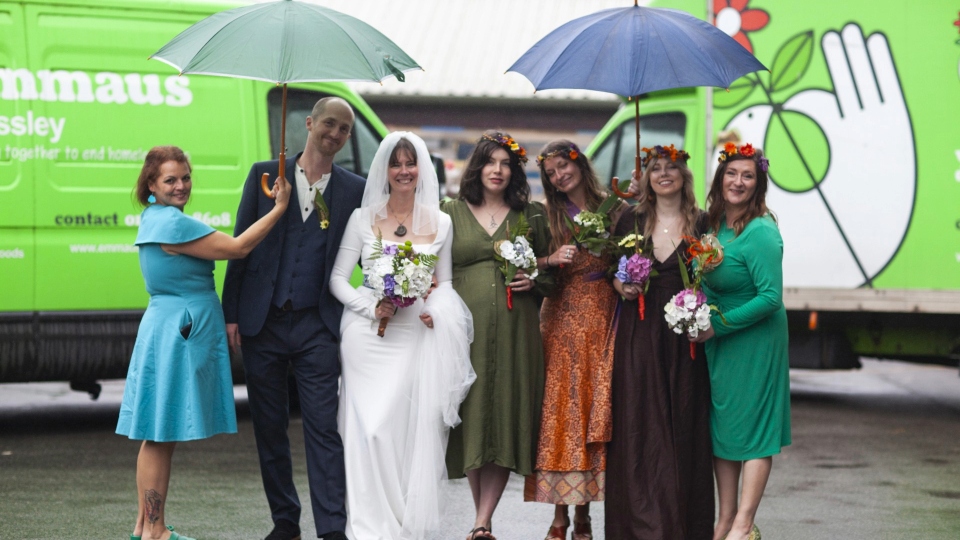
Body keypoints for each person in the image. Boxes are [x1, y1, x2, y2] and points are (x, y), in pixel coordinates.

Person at [117, 146, 291, 540]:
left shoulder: (154, 217)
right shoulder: (173, 225)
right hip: (179, 331)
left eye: (185, 177)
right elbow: (238, 248)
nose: (181, 186)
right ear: (151, 185)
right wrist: (279, 208)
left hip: (166, 328)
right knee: (160, 435)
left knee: (158, 434)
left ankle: (146, 527)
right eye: (170, 180)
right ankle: (155, 529)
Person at [221, 97, 365, 540]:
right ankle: (285, 521)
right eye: (329, 124)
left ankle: (332, 528)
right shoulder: (265, 174)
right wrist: (231, 314)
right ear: (308, 123)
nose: (335, 134)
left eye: (343, 129)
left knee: (324, 428)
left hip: (317, 325)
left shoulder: (354, 189)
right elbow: (239, 244)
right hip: (261, 321)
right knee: (269, 426)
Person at [329, 132, 476, 540]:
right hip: (365, 335)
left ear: (422, 168)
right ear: (384, 170)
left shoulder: (441, 222)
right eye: (396, 164)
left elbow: (444, 284)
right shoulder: (362, 218)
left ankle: (401, 522)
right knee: (369, 429)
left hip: (413, 334)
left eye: (411, 163)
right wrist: (370, 307)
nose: (404, 171)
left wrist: (433, 310)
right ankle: (367, 527)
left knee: (401, 430)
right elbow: (339, 279)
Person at [442, 131, 554, 540]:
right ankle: (480, 516)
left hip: (515, 332)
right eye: (490, 162)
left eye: (506, 164)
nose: (498, 170)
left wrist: (535, 277)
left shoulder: (532, 215)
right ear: (477, 166)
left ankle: (483, 521)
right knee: (472, 417)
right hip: (462, 334)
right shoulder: (449, 211)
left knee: (505, 416)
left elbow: (554, 276)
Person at [606, 145, 715, 539]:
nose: (664, 174)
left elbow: (714, 277)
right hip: (639, 332)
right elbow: (609, 274)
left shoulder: (702, 224)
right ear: (647, 177)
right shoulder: (630, 221)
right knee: (639, 425)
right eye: (656, 168)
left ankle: (682, 526)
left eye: (672, 168)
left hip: (685, 338)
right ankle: (638, 527)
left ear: (684, 177)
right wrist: (624, 285)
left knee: (684, 423)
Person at [524, 140, 625, 540]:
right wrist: (549, 260)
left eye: (563, 167)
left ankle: (585, 514)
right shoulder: (545, 215)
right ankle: (560, 515)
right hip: (561, 320)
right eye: (550, 173)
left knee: (591, 414)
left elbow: (632, 253)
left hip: (603, 316)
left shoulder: (614, 207)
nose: (558, 176)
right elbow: (521, 261)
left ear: (579, 164)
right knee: (561, 415)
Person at [692, 144, 790, 540]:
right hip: (721, 340)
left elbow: (770, 298)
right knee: (726, 429)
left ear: (758, 183)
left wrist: (720, 324)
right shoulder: (713, 226)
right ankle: (723, 519)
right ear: (720, 179)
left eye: (747, 175)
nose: (738, 182)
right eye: (731, 173)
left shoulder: (761, 231)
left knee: (754, 431)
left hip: (755, 338)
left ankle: (744, 524)